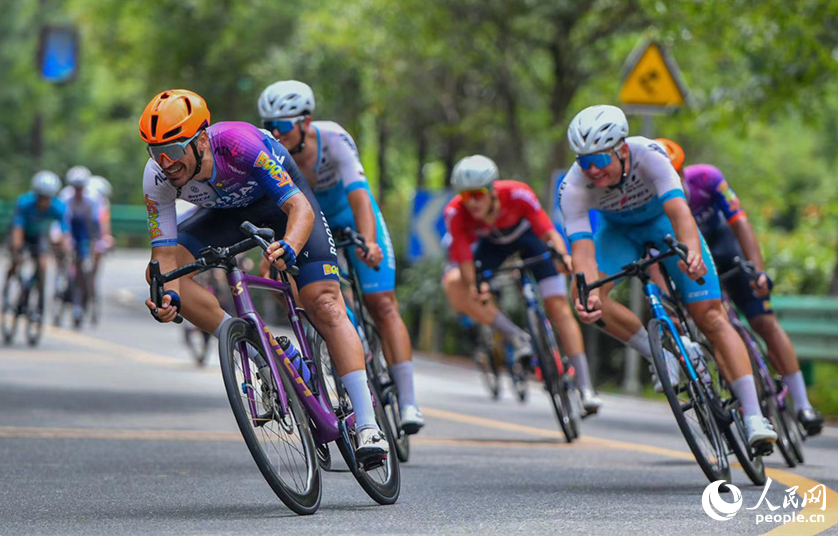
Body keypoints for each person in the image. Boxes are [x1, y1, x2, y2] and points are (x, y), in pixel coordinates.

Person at [139, 89, 388, 462]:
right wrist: (168, 298)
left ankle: (369, 426)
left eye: (173, 151)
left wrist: (288, 244)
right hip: (226, 213)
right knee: (155, 273)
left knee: (324, 302)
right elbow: (164, 255)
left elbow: (298, 207)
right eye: (154, 152)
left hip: (283, 204)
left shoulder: (240, 144)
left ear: (202, 139)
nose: (165, 163)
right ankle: (255, 349)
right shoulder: (157, 177)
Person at [560, 104, 777, 449]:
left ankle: (754, 416)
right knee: (586, 295)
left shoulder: (650, 155)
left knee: (711, 316)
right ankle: (659, 353)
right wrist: (587, 292)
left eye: (600, 161)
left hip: (665, 223)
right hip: (617, 235)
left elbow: (679, 213)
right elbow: (582, 252)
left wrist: (691, 251)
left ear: (622, 150)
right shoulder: (573, 186)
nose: (592, 171)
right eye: (584, 162)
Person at [258, 80, 424, 434]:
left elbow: (360, 194)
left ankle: (409, 401)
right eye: (268, 125)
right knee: (312, 297)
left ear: (306, 121)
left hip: (349, 215)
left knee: (382, 302)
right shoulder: (268, 150)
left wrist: (368, 241)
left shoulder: (333, 138)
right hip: (310, 225)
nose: (275, 132)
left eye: (283, 125)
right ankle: (351, 334)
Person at [657, 137, 823, 436]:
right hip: (697, 269)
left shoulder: (708, 178)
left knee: (764, 322)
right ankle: (745, 401)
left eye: (676, 174)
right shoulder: (653, 205)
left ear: (683, 172)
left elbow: (740, 222)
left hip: (726, 253)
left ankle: (802, 404)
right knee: (715, 327)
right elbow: (654, 257)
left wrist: (756, 270)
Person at [443, 154, 601, 415]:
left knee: (558, 307)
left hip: (529, 241)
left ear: (493, 190)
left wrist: (563, 257)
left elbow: (548, 232)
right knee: (456, 285)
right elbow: (464, 258)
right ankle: (517, 337)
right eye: (465, 196)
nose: (471, 202)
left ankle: (586, 387)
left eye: (478, 194)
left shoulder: (518, 194)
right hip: (492, 248)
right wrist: (476, 286)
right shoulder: (455, 212)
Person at [7, 171, 68, 319]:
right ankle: (11, 278)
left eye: (47, 198)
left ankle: (37, 300)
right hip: (22, 233)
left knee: (42, 264)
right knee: (17, 258)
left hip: (40, 236)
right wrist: (17, 248)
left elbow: (64, 230)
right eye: (41, 197)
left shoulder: (58, 208)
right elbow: (17, 227)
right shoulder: (24, 203)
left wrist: (64, 247)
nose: (43, 201)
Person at [58, 166, 102, 326]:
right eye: (75, 188)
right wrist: (64, 240)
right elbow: (62, 222)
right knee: (61, 249)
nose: (77, 191)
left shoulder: (92, 199)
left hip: (84, 228)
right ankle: (61, 277)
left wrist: (96, 243)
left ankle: (84, 299)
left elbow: (95, 224)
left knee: (84, 265)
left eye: (80, 188)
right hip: (69, 227)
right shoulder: (64, 197)